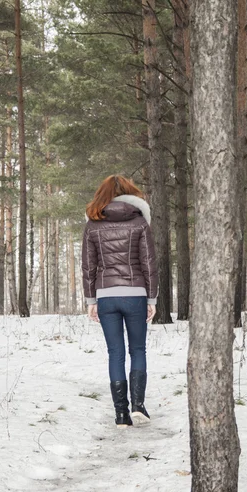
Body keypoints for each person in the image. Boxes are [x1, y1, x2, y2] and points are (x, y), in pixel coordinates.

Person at [82, 174, 159, 428]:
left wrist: (91, 299)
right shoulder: (139, 223)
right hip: (135, 294)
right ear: (129, 193)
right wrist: (152, 298)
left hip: (106, 296)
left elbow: (88, 266)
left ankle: (121, 415)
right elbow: (149, 263)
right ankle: (138, 406)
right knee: (137, 350)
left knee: (115, 354)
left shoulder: (93, 224)